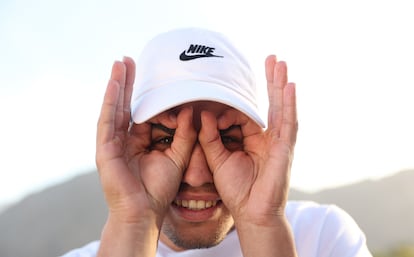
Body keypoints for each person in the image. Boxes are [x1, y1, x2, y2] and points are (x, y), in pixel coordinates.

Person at [62, 27, 372, 257]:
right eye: (166, 139)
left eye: (226, 138)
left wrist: (263, 225)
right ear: (129, 146)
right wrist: (132, 220)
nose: (197, 175)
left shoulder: (321, 236)